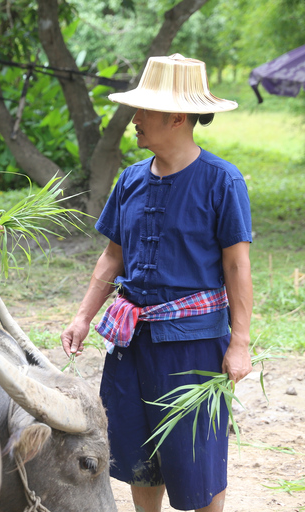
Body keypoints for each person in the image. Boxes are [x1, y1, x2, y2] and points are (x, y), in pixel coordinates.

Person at [60, 54, 253, 512]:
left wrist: (240, 341)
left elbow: (237, 267)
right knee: (136, 452)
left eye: (143, 111)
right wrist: (83, 316)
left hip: (194, 347)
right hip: (132, 343)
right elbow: (112, 256)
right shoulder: (130, 180)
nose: (134, 120)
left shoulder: (221, 181)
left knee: (196, 460)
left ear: (177, 117)